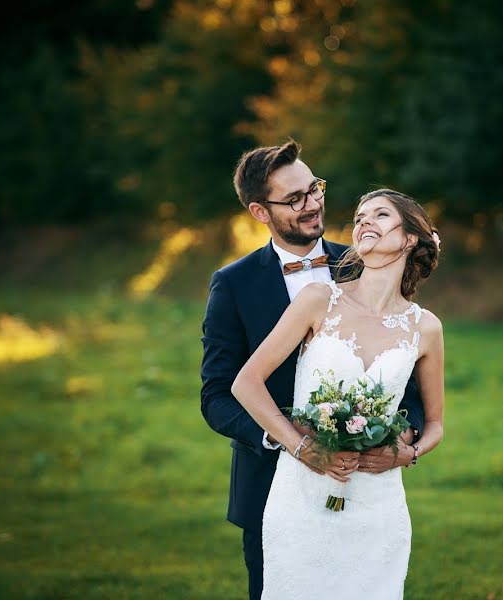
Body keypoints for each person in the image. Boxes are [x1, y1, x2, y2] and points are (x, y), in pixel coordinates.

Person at [200, 140, 427, 600]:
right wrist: (292, 441)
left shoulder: (369, 260)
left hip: (366, 487)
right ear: (261, 212)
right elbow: (218, 396)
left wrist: (402, 442)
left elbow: (409, 373)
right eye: (295, 199)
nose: (313, 204)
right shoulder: (233, 285)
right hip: (272, 489)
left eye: (315, 188)